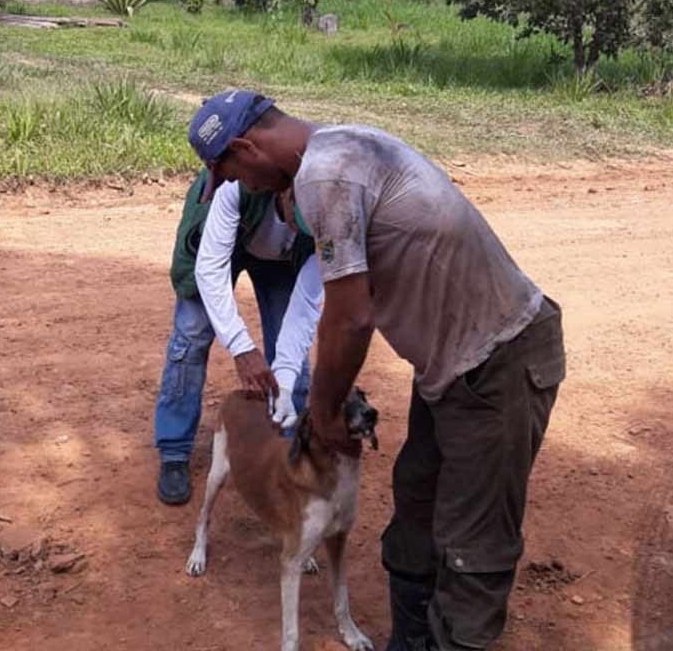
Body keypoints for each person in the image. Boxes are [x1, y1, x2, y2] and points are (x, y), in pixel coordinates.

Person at [186, 91, 566, 651]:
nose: (246, 188)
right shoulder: (336, 148)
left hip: (498, 360)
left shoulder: (326, 176)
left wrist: (321, 412)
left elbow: (349, 318)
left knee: (472, 547)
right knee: (416, 509)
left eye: (234, 174)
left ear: (247, 147)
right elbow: (327, 308)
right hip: (446, 369)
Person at [154, 167, 322, 504]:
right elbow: (208, 269)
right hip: (223, 242)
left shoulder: (332, 225)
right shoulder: (238, 183)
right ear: (285, 192)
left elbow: (305, 306)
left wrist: (285, 377)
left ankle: (288, 447)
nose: (300, 228)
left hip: (283, 261)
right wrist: (241, 348)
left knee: (292, 359)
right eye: (299, 218)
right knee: (191, 337)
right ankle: (174, 450)